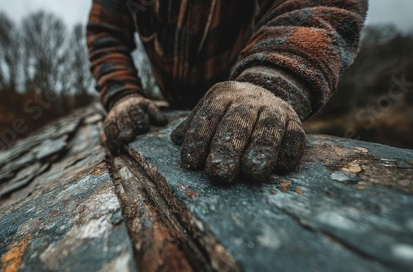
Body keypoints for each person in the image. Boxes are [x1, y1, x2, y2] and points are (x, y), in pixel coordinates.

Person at [87, 0, 368, 183]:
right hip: (175, 98)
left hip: (246, 86)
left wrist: (270, 80)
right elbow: (106, 34)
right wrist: (122, 94)